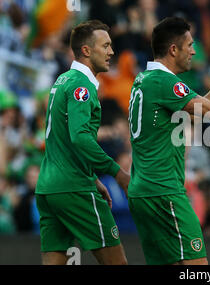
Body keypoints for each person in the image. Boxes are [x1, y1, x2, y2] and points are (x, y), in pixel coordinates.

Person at [127, 17, 210, 265]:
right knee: (197, 266)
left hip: (141, 191)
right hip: (164, 191)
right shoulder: (166, 83)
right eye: (189, 45)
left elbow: (196, 113)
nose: (194, 50)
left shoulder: (143, 79)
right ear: (173, 49)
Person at [35, 20, 130, 265]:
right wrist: (116, 173)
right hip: (73, 188)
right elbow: (79, 138)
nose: (111, 52)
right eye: (106, 46)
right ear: (87, 50)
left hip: (48, 187)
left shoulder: (62, 80)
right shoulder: (81, 86)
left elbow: (63, 138)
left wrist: (93, 177)